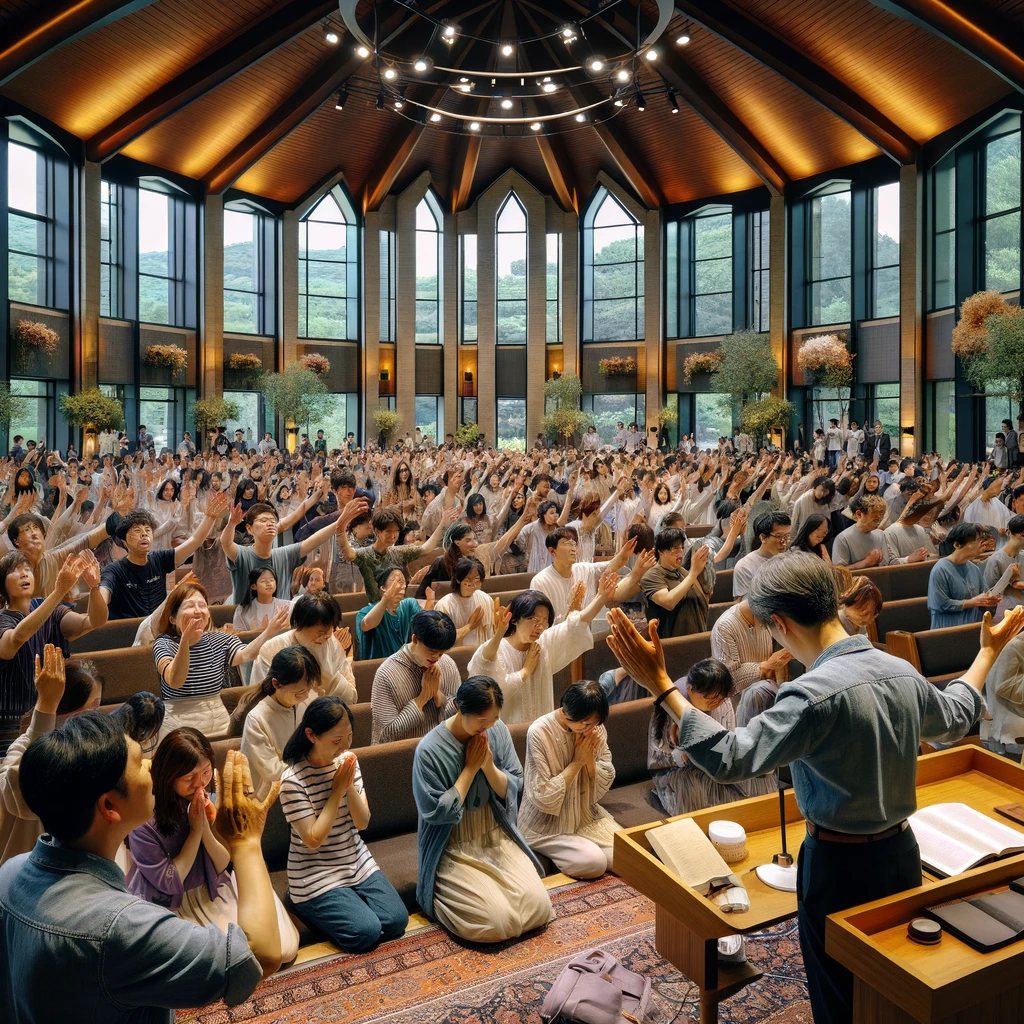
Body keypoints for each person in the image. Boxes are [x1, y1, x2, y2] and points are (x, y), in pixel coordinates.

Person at [604, 556, 1024, 1024]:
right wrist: (986, 652)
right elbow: (953, 718)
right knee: (885, 994)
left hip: (838, 866)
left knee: (837, 999)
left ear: (779, 623)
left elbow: (730, 757)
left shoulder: (811, 695)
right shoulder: (898, 668)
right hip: (904, 854)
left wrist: (662, 684)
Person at [1, 718, 284, 1021]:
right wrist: (247, 842)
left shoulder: (9, 873)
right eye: (139, 762)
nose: (152, 769)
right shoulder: (123, 928)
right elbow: (260, 954)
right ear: (109, 806)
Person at [125, 728, 299, 962]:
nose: (200, 784)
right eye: (189, 778)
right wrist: (195, 833)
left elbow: (221, 863)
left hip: (210, 889)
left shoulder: (202, 799)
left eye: (206, 772)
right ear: (168, 776)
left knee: (283, 948)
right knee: (230, 959)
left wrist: (206, 827)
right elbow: (168, 882)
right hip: (168, 902)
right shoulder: (144, 819)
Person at [412, 676, 552, 943]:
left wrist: (487, 766)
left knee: (539, 908)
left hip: (494, 836)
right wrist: (470, 769)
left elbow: (513, 785)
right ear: (458, 707)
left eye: (493, 719)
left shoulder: (497, 731)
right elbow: (437, 814)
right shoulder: (429, 750)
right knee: (497, 924)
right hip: (453, 847)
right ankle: (438, 898)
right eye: (480, 720)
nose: (487, 727)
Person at [279, 696, 408, 952]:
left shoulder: (349, 760)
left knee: (396, 921)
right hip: (314, 873)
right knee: (366, 933)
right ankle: (304, 903)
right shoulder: (292, 780)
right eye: (336, 740)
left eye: (348, 737)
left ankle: (349, 905)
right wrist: (337, 790)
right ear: (311, 735)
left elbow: (362, 823)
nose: (344, 746)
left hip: (354, 859)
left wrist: (347, 786)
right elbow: (314, 839)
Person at [468, 577, 616, 725]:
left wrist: (601, 598)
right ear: (514, 619)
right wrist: (524, 671)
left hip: (541, 730)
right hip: (510, 734)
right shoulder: (497, 649)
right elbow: (492, 690)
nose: (540, 626)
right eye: (533, 619)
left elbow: (575, 626)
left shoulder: (542, 643)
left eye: (544, 621)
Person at [0, 550, 107, 754]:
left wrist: (94, 586)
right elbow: (17, 638)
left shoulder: (45, 606)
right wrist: (59, 590)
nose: (24, 574)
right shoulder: (3, 619)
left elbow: (95, 621)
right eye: (15, 571)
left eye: (27, 569)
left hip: (45, 711)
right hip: (8, 724)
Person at [154, 582, 290, 738]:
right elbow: (175, 680)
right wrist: (185, 641)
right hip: (178, 721)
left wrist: (268, 632)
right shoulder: (164, 643)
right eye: (190, 606)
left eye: (202, 605)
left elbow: (246, 655)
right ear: (172, 618)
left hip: (216, 716)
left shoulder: (219, 639)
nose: (198, 611)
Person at [519, 680, 620, 879]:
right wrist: (577, 762)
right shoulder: (539, 732)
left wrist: (588, 760)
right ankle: (566, 856)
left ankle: (576, 852)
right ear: (567, 714)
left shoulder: (595, 728)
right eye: (588, 723)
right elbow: (541, 795)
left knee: (628, 857)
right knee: (595, 863)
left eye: (596, 722)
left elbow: (607, 775)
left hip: (585, 815)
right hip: (546, 825)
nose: (593, 728)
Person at [648, 659, 775, 815]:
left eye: (720, 699)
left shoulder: (722, 701)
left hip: (713, 762)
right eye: (711, 699)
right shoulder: (672, 705)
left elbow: (727, 737)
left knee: (757, 771)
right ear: (690, 690)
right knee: (694, 786)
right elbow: (658, 757)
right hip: (677, 771)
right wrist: (683, 755)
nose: (717, 704)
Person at [99, 495, 230, 621]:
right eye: (137, 531)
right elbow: (101, 601)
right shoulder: (113, 571)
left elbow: (195, 541)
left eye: (148, 530)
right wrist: (95, 587)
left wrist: (210, 517)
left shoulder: (158, 559)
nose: (144, 534)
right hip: (128, 631)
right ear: (125, 542)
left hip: (159, 631)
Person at [220, 495, 366, 605]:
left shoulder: (284, 554)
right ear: (249, 529)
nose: (270, 524)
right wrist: (232, 523)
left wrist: (343, 520)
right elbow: (226, 543)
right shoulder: (243, 555)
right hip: (246, 630)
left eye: (272, 521)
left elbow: (313, 541)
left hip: (279, 627)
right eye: (263, 521)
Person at [240, 645, 321, 801]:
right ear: (277, 684)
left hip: (308, 783)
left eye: (308, 689)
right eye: (298, 693)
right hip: (273, 798)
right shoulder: (257, 719)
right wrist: (315, 769)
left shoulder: (308, 701)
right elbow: (273, 772)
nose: (305, 697)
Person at [370, 610, 461, 744]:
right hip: (402, 756)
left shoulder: (448, 664)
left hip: (441, 750)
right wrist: (422, 698)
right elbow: (385, 735)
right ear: (415, 639)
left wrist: (437, 695)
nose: (436, 658)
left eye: (442, 653)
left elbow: (459, 717)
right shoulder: (386, 673)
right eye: (432, 651)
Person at [249, 593, 356, 704]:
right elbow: (260, 702)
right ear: (300, 624)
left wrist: (330, 680)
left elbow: (351, 697)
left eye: (329, 632)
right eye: (321, 633)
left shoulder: (332, 642)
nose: (325, 638)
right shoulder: (271, 649)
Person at [710, 598, 791, 700]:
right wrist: (767, 665)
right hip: (738, 703)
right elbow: (729, 681)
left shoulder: (765, 617)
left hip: (765, 695)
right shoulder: (725, 626)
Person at [640, 527, 714, 637]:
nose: (680, 554)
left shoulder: (682, 572)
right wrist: (693, 573)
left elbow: (703, 599)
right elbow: (668, 602)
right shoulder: (652, 576)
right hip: (672, 645)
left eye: (682, 548)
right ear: (660, 552)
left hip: (696, 640)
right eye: (674, 549)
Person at [927, 522, 999, 629]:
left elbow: (981, 598)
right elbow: (940, 604)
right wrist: (972, 602)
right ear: (957, 545)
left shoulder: (974, 569)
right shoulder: (940, 569)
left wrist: (989, 602)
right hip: (947, 630)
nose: (983, 544)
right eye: (977, 540)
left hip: (972, 627)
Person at [355, 565, 423, 662]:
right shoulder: (365, 612)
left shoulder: (409, 605)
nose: (400, 585)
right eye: (395, 581)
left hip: (406, 665)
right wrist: (386, 597)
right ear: (383, 587)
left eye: (402, 581)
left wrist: (430, 600)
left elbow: (424, 623)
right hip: (377, 669)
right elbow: (366, 624)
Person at [434, 557, 493, 647]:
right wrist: (469, 626)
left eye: (476, 580)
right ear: (458, 580)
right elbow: (441, 639)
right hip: (456, 655)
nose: (472, 584)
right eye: (467, 580)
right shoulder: (445, 605)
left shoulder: (485, 599)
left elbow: (490, 634)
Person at [732, 512, 790, 599]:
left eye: (787, 536)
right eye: (779, 536)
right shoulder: (745, 566)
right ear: (763, 538)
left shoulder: (790, 561)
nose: (784, 542)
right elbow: (747, 604)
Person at [984, 513, 1024, 620]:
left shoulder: (1022, 556)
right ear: (1021, 535)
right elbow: (990, 594)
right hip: (1004, 615)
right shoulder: (996, 560)